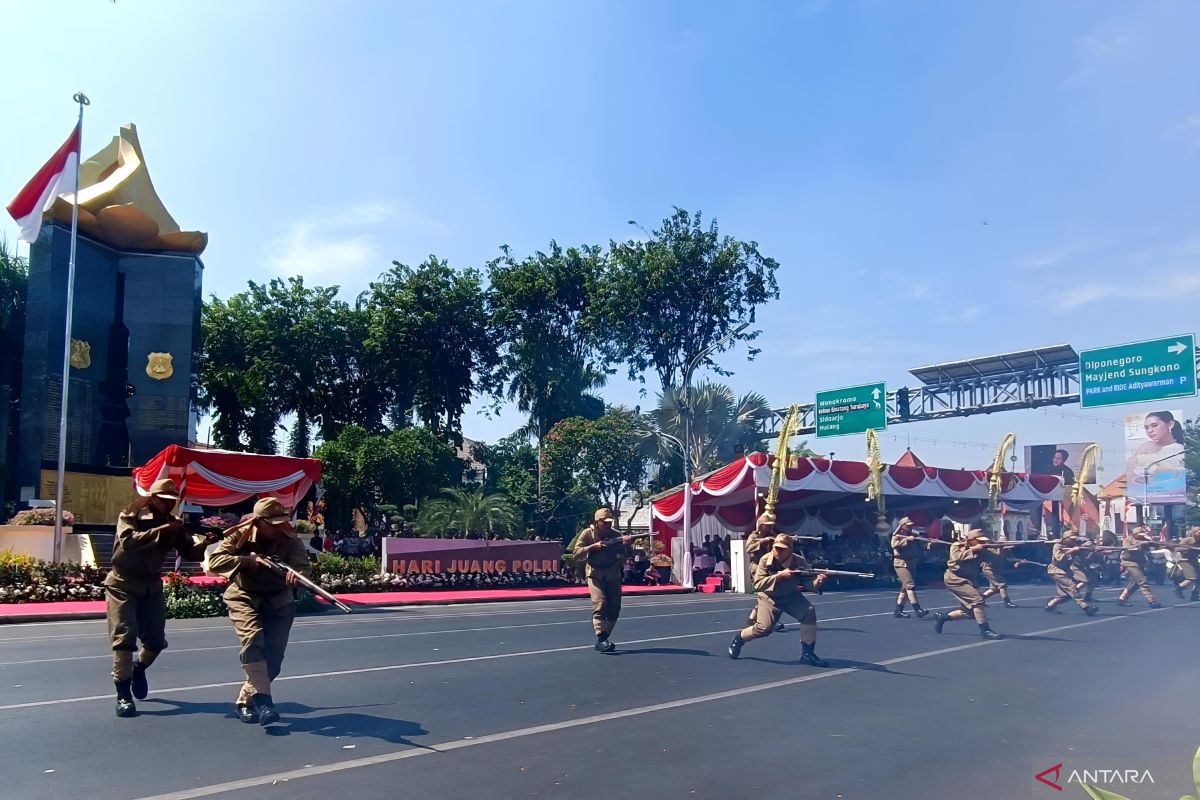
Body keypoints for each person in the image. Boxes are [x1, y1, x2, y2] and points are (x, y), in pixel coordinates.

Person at [105, 478, 215, 718]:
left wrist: (205, 542)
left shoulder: (173, 524)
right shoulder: (131, 515)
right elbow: (129, 542)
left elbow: (190, 553)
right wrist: (163, 530)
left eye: (171, 501)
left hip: (151, 585)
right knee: (124, 638)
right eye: (163, 500)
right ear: (151, 497)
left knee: (155, 641)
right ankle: (123, 695)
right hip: (123, 583)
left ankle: (139, 668)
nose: (167, 505)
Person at [208, 497, 311, 726]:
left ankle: (245, 699)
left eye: (280, 522)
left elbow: (303, 569)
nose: (277, 528)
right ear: (258, 521)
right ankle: (263, 704)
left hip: (279, 600)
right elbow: (215, 561)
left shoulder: (290, 538)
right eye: (271, 523)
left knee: (273, 660)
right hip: (245, 595)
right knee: (253, 640)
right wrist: (248, 561)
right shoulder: (240, 534)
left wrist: (296, 578)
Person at [728, 534, 829, 665]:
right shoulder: (765, 560)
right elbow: (758, 584)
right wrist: (780, 576)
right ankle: (739, 638)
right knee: (763, 629)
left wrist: (818, 582)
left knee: (808, 612)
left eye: (782, 549)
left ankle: (808, 654)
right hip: (769, 598)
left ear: (790, 549)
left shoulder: (799, 561)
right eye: (776, 548)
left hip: (790, 595)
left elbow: (808, 583)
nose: (777, 552)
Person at [572, 508, 631, 652]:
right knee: (600, 603)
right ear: (597, 522)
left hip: (612, 573)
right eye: (604, 523)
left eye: (609, 523)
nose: (607, 525)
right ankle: (601, 637)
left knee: (614, 608)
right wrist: (593, 547)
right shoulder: (588, 533)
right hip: (595, 573)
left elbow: (628, 555)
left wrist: (628, 544)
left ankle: (604, 637)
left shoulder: (616, 535)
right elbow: (576, 553)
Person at [933, 529, 1002, 639]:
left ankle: (943, 617)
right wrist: (973, 550)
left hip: (969, 580)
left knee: (968, 612)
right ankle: (986, 631)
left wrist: (999, 548)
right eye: (979, 541)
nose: (982, 543)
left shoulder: (982, 550)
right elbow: (956, 557)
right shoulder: (957, 545)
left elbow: (997, 560)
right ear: (971, 540)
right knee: (977, 601)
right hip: (955, 579)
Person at [742, 512, 787, 632]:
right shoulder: (754, 536)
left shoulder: (773, 535)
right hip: (757, 568)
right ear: (761, 525)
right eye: (767, 525)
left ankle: (753, 618)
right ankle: (771, 620)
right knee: (768, 595)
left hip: (769, 568)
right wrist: (762, 542)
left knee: (767, 595)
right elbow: (748, 548)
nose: (769, 527)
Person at [1043, 529, 1098, 615]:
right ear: (1066, 538)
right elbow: (1059, 558)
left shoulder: (1075, 545)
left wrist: (1091, 549)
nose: (1074, 540)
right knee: (1072, 587)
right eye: (1072, 539)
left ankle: (1050, 605)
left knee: (1065, 595)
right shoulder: (1058, 545)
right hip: (1056, 570)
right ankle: (1086, 607)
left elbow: (1083, 556)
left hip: (1066, 571)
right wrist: (1072, 550)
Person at [890, 517, 929, 618]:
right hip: (901, 563)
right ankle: (917, 609)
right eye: (908, 526)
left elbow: (923, 546)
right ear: (902, 526)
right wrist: (906, 539)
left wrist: (931, 544)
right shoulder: (896, 536)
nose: (910, 527)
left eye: (911, 525)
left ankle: (898, 610)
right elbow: (894, 545)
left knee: (905, 589)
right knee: (910, 585)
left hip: (911, 563)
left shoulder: (914, 535)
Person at [1116, 527, 1163, 608]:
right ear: (1135, 534)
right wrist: (1140, 543)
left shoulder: (1145, 540)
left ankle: (1122, 599)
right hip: (1129, 563)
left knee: (1135, 583)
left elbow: (1157, 546)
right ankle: (1151, 601)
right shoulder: (1127, 540)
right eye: (1140, 534)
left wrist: (1149, 540)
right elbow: (1129, 549)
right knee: (1142, 581)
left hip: (1140, 563)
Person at [1171, 526, 1200, 601]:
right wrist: (1189, 548)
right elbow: (1177, 548)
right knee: (1192, 578)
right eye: (1198, 531)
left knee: (1199, 579)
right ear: (1194, 533)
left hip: (1194, 560)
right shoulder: (1188, 540)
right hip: (1185, 560)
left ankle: (1195, 595)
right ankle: (1179, 588)